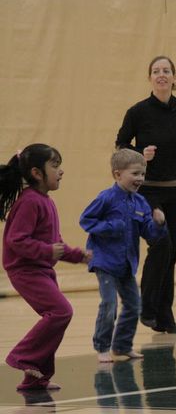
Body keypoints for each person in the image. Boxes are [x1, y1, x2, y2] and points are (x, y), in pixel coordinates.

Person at [116, 55, 176, 334]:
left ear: (174, 78)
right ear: (149, 78)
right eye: (156, 71)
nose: (161, 75)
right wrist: (140, 154)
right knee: (161, 244)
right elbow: (121, 147)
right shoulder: (138, 111)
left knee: (171, 253)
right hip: (147, 190)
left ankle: (165, 316)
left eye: (166, 71)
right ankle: (147, 308)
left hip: (174, 190)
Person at [0, 144, 91, 390]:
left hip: (41, 269)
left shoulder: (45, 201)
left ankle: (35, 378)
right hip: (25, 270)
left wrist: (79, 256)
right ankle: (24, 357)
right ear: (37, 173)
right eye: (55, 165)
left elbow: (55, 242)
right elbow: (16, 241)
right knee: (61, 312)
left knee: (56, 317)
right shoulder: (29, 201)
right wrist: (46, 251)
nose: (61, 171)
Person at [80, 149, 168, 363]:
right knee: (109, 304)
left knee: (133, 305)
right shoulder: (106, 198)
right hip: (105, 261)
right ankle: (102, 346)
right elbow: (86, 220)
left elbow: (149, 233)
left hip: (127, 263)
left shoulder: (140, 202)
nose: (140, 179)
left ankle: (122, 345)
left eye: (142, 174)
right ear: (117, 175)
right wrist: (111, 226)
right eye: (135, 174)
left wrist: (158, 224)